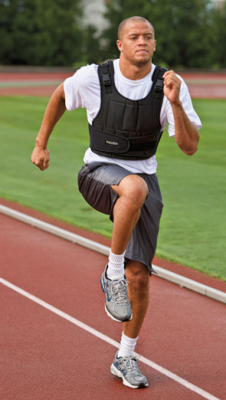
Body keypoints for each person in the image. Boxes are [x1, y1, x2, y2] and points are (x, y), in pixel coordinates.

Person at [31, 16, 201, 389]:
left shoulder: (169, 85)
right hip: (97, 173)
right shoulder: (95, 77)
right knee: (135, 189)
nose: (143, 41)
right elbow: (60, 95)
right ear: (120, 44)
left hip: (143, 176)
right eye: (134, 36)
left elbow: (189, 147)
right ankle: (112, 273)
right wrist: (42, 143)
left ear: (154, 45)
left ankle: (125, 355)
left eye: (149, 37)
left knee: (139, 277)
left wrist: (175, 105)